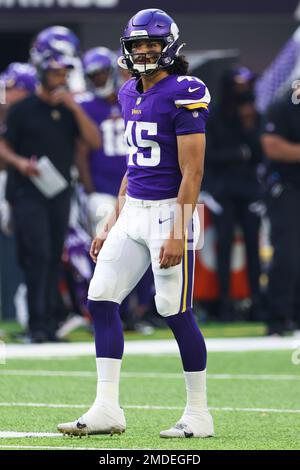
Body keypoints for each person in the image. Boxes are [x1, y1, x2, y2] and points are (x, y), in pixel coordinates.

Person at [57, 8, 214, 439]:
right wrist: (111, 219)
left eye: (153, 44)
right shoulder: (129, 92)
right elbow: (133, 163)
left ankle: (198, 414)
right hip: (134, 210)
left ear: (170, 47)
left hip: (170, 210)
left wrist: (179, 230)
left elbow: (193, 172)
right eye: (138, 45)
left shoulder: (185, 90)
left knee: (173, 310)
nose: (144, 52)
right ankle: (107, 408)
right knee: (101, 296)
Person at [0, 27, 100, 343]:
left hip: (59, 192)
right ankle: (37, 325)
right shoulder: (23, 109)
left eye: (64, 73)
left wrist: (73, 107)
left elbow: (93, 141)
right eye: (55, 73)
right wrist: (20, 163)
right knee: (38, 255)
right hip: (27, 190)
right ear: (43, 72)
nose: (61, 78)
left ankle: (50, 324)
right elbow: (3, 146)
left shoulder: (71, 110)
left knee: (55, 256)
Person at [205, 67, 263, 321]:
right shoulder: (214, 115)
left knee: (253, 246)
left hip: (250, 190)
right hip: (223, 190)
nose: (243, 92)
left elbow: (261, 154)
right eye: (238, 86)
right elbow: (209, 155)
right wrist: (239, 154)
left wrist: (250, 127)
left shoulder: (254, 116)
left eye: (247, 86)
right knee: (225, 245)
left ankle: (256, 302)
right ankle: (224, 303)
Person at [261, 85, 300, 335]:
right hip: (288, 189)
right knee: (287, 255)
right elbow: (271, 145)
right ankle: (278, 317)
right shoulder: (284, 105)